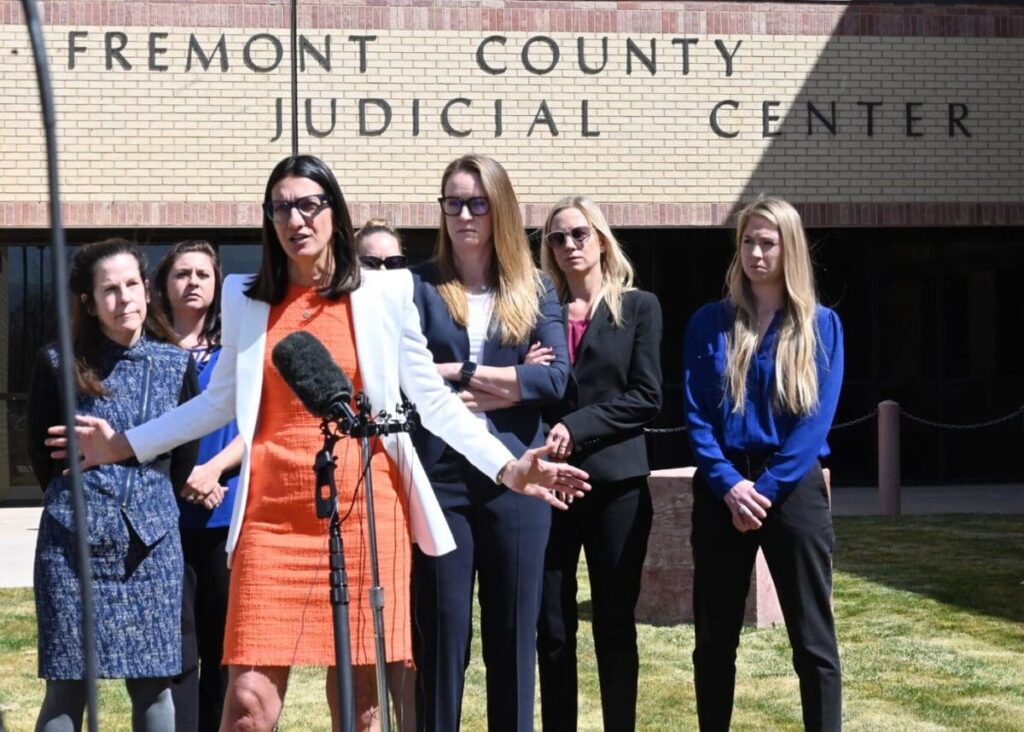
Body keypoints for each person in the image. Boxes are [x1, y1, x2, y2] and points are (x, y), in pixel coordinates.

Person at [47, 154, 588, 732]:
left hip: (362, 513)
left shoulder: (386, 293)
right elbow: (217, 402)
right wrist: (123, 444)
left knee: (363, 710)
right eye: (281, 207)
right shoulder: (244, 296)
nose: (296, 219)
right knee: (248, 706)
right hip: (270, 520)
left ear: (336, 213)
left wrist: (509, 469)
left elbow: (431, 400)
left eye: (310, 204)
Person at [410, 154, 567, 732]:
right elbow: (411, 380)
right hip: (440, 477)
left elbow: (553, 379)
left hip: (517, 475)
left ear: (499, 208)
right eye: (453, 202)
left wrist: (454, 374)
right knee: (444, 636)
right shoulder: (418, 287)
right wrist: (505, 381)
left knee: (512, 636)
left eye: (478, 202)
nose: (465, 214)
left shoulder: (536, 288)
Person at [683, 196, 844, 731]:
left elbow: (814, 425)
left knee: (813, 642)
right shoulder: (710, 323)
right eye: (748, 241)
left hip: (792, 489)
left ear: (789, 248)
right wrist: (729, 484)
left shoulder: (822, 326)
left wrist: (766, 488)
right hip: (722, 487)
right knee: (713, 641)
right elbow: (696, 414)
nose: (755, 252)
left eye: (767, 242)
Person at [28, 238, 199, 732]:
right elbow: (42, 457)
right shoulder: (57, 363)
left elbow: (183, 457)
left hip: (151, 548)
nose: (124, 298)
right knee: (67, 685)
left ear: (147, 290)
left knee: (154, 684)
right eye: (109, 289)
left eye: (132, 285)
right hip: (71, 547)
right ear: (88, 301)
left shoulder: (174, 364)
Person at [535, 196, 663, 732]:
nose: (569, 246)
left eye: (579, 235)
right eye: (557, 239)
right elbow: (529, 394)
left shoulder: (638, 307)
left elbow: (647, 396)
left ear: (602, 240)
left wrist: (578, 425)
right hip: (549, 485)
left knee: (613, 623)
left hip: (616, 486)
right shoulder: (537, 313)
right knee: (553, 626)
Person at [153, 240, 242, 731]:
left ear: (217, 284)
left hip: (227, 512)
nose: (192, 282)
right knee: (178, 649)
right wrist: (185, 474)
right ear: (164, 286)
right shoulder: (148, 354)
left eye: (203, 274)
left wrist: (213, 471)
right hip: (167, 519)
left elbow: (256, 423)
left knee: (225, 646)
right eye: (182, 274)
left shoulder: (235, 348)